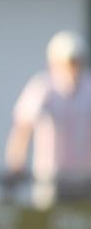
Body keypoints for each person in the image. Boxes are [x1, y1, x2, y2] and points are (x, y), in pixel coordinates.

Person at [6, 31, 91, 208]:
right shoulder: (43, 87)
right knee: (49, 220)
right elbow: (23, 127)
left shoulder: (88, 87)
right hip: (51, 178)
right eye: (67, 62)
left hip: (85, 176)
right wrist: (15, 164)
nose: (72, 67)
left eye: (75, 61)